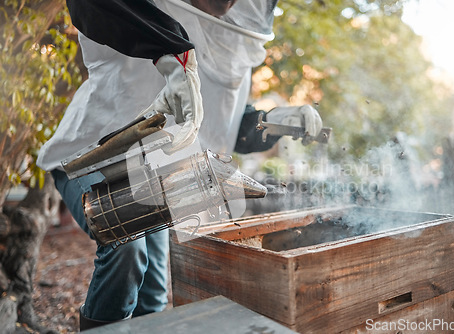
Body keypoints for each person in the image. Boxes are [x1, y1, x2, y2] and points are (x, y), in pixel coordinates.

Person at [37, 0, 323, 330]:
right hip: (90, 156)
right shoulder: (140, 11)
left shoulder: (227, 44)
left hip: (154, 173)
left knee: (154, 290)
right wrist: (169, 55)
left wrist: (274, 122)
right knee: (126, 249)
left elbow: (228, 125)